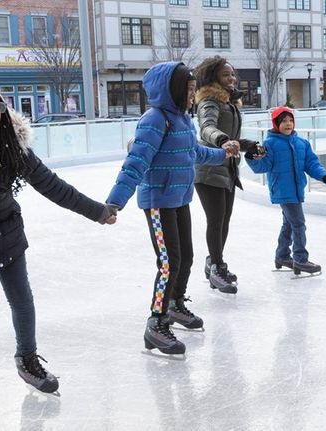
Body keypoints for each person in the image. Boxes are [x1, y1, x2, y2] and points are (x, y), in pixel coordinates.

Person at [0, 79, 117, 430]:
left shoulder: (10, 148)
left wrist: (97, 211)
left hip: (8, 237)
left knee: (23, 301)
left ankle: (27, 360)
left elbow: (52, 185)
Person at [106, 62, 239, 356]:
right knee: (169, 263)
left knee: (186, 257)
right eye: (188, 91)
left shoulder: (181, 119)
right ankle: (156, 322)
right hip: (158, 202)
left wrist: (223, 153)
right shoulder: (154, 119)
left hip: (180, 198)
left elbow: (194, 152)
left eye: (193, 91)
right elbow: (136, 162)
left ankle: (176, 304)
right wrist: (115, 201)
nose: (192, 96)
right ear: (173, 91)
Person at [193, 56, 259, 294]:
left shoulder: (229, 103)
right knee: (216, 219)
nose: (231, 78)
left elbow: (232, 138)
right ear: (213, 78)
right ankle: (217, 267)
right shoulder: (209, 102)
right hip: (208, 168)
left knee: (225, 219)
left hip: (227, 168)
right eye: (225, 75)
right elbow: (207, 128)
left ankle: (214, 262)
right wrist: (221, 140)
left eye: (232, 74)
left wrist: (250, 145)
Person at [244, 106, 326, 275]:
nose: (288, 124)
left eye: (291, 120)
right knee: (298, 224)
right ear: (276, 124)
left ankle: (282, 256)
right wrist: (251, 158)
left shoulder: (302, 143)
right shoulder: (270, 144)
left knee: (288, 224)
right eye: (284, 121)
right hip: (282, 190)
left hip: (297, 189)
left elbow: (311, 163)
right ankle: (300, 259)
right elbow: (263, 166)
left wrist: (324, 176)